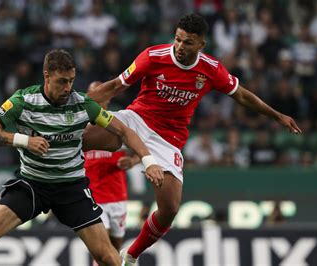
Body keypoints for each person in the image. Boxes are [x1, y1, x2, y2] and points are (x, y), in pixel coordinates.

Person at [84, 14, 302, 265]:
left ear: (201, 45)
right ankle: (40, 170)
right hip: (137, 118)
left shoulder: (211, 69)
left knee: (170, 209)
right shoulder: (153, 57)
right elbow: (114, 86)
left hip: (168, 140)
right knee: (81, 138)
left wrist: (276, 116)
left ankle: (131, 255)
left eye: (187, 42)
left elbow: (241, 96)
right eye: (177, 39)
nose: (179, 46)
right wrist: (77, 105)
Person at [0, 49, 163, 266]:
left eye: (71, 81)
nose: (67, 88)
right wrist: (24, 140)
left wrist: (148, 161)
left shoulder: (82, 104)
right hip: (33, 185)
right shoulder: (23, 101)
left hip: (71, 187)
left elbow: (124, 131)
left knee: (107, 256)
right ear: (46, 75)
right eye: (62, 81)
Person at [84, 82, 140, 254]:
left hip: (117, 198)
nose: (98, 97)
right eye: (93, 93)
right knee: (103, 249)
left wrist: (132, 161)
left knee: (114, 249)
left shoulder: (117, 125)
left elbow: (141, 149)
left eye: (101, 93)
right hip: (93, 198)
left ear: (108, 99)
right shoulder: (80, 126)